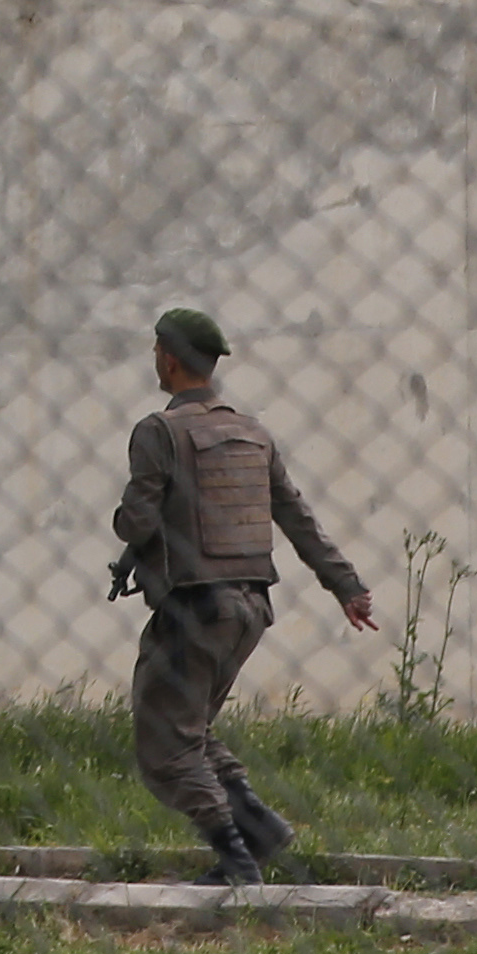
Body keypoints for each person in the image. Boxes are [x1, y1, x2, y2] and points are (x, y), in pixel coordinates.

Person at [107, 304, 372, 886]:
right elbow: (297, 518)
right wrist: (346, 587)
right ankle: (258, 826)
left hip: (192, 609)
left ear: (169, 358)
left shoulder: (159, 431)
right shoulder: (253, 433)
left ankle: (236, 857)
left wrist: (125, 527)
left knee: (166, 751)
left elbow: (138, 521)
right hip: (249, 609)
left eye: (157, 351)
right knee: (192, 730)